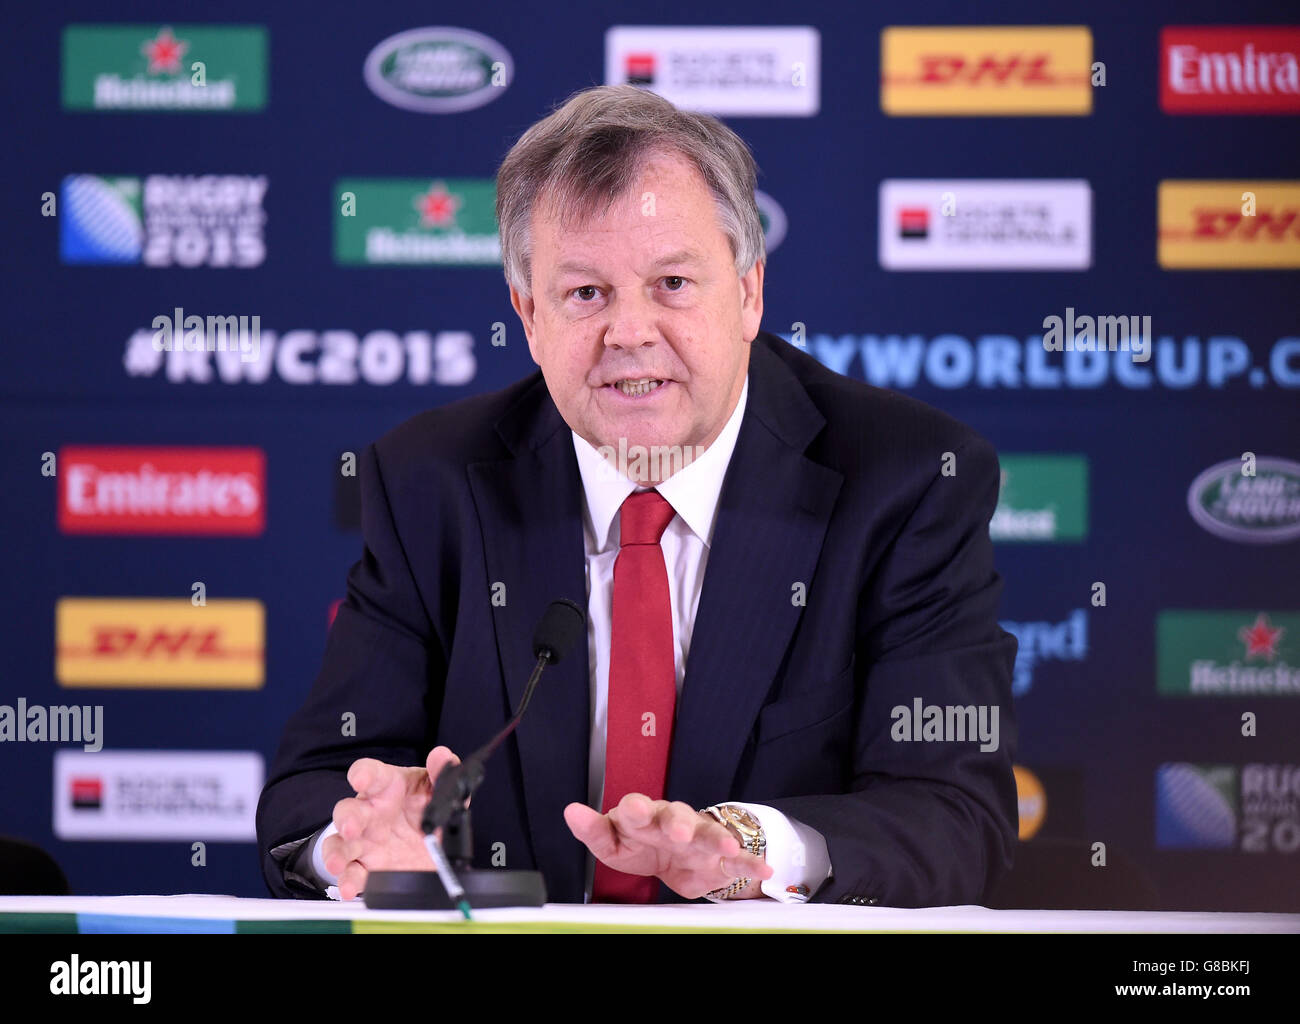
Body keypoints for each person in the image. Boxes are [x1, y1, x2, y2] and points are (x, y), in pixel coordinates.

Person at [255, 84, 1018, 907]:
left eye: (672, 284)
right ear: (528, 315)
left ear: (750, 292)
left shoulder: (904, 481)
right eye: (586, 293)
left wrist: (753, 848)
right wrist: (358, 839)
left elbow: (954, 816)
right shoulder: (430, 482)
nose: (629, 333)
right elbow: (312, 793)